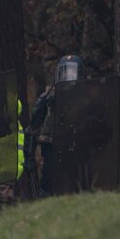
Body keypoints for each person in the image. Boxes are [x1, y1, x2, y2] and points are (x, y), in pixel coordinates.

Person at [29, 55, 82, 197]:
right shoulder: (48, 97)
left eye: (72, 73)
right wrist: (29, 153)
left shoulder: (86, 97)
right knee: (48, 187)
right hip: (52, 148)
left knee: (80, 186)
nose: (68, 77)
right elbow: (34, 126)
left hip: (80, 148)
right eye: (65, 73)